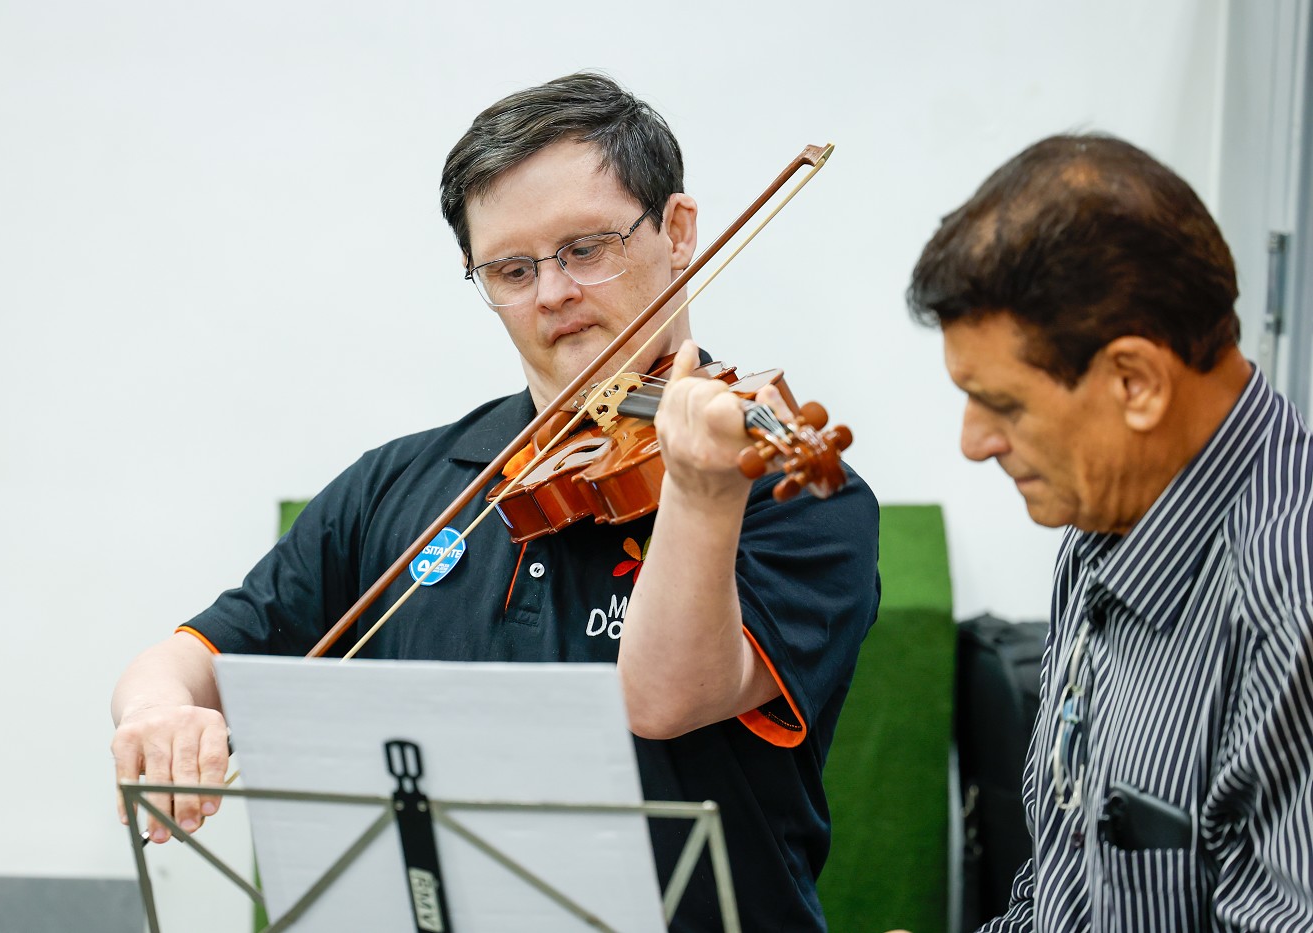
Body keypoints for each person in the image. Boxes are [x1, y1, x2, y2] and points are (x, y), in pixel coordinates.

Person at [111, 72, 880, 930]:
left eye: (586, 248)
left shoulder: (791, 491)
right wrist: (158, 711)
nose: (552, 293)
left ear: (678, 231)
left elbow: (667, 698)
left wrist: (702, 495)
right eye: (513, 269)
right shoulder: (401, 481)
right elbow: (190, 656)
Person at [907, 133, 1313, 931]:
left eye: (1005, 403)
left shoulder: (1288, 607)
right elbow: (1064, 896)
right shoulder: (1106, 516)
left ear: (1136, 382)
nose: (974, 441)